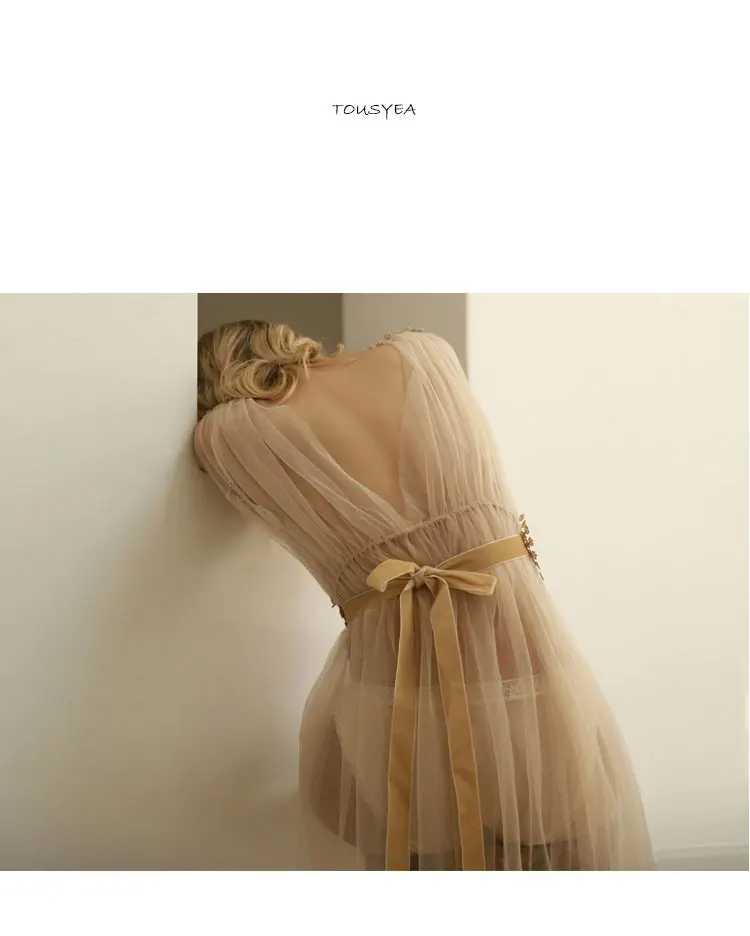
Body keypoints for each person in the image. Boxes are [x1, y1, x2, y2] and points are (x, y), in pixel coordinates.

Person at [194, 319, 655, 871]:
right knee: (564, 853)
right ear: (287, 337)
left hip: (392, 682)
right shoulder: (422, 354)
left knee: (412, 860)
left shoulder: (230, 434)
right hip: (521, 654)